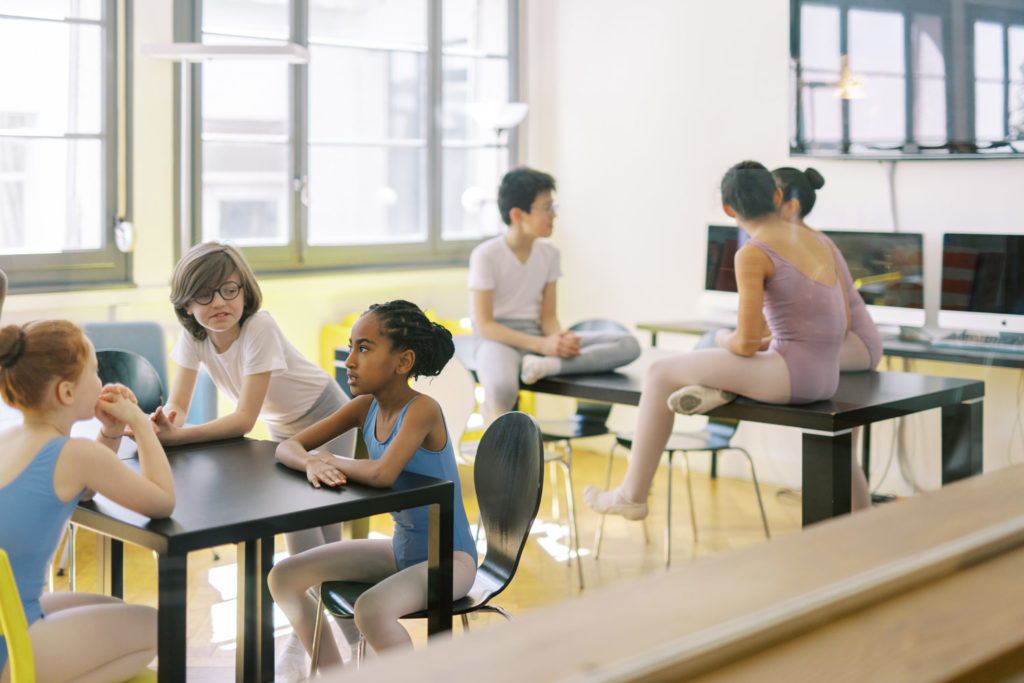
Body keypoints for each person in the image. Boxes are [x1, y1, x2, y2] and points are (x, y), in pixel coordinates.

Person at [584, 160, 877, 520]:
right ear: (777, 195)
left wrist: (721, 337)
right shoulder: (820, 242)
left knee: (660, 371)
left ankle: (631, 494)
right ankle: (715, 390)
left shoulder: (753, 253)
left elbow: (746, 343)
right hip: (826, 377)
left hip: (790, 376)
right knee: (705, 363)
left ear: (728, 209)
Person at [268, 300, 478, 670]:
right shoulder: (364, 407)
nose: (349, 360)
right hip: (402, 551)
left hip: (450, 559)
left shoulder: (423, 410)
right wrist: (312, 460)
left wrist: (334, 460)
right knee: (283, 577)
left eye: (363, 348)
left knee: (371, 610)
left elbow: (383, 473)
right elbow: (288, 446)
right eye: (351, 347)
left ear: (403, 362)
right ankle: (335, 673)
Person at [154, 241, 356, 555]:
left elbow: (244, 421)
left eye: (229, 290)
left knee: (318, 513)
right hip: (283, 426)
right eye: (204, 294)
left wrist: (178, 437)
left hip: (329, 416)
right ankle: (310, 595)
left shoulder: (259, 326)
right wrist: (163, 424)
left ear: (245, 292)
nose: (219, 302)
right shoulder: (194, 336)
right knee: (297, 515)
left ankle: (326, 594)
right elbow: (178, 406)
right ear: (186, 305)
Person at [0, 320, 175, 681]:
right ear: (66, 392)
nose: (102, 380)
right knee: (161, 626)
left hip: (9, 617)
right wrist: (139, 423)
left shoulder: (12, 437)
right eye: (94, 371)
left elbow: (83, 488)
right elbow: (162, 501)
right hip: (12, 652)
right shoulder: (74, 454)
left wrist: (111, 432)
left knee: (112, 607)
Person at [468, 166, 641, 424]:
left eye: (553, 207)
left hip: (539, 339)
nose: (553, 215)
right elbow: (485, 326)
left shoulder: (550, 254)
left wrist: (558, 339)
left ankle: (546, 366)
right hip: (498, 340)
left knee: (628, 344)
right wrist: (542, 346)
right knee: (502, 389)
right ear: (518, 214)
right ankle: (502, 448)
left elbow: (548, 317)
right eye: (546, 208)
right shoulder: (486, 255)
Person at [774, 166, 883, 510]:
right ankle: (862, 527)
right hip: (837, 346)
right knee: (844, 452)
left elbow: (843, 322)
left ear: (790, 205)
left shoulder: (817, 244)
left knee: (843, 450)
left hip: (856, 345)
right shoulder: (787, 245)